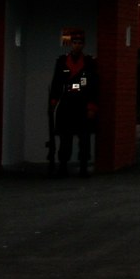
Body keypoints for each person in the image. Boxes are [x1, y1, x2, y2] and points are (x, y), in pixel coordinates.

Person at [48, 29, 98, 177]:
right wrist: (53, 102)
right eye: (74, 43)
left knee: (84, 138)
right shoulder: (62, 62)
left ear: (83, 45)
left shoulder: (89, 63)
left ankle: (83, 165)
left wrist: (92, 107)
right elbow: (57, 83)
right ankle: (63, 164)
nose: (77, 46)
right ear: (71, 44)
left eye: (79, 43)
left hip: (82, 103)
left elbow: (93, 86)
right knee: (65, 137)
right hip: (67, 103)